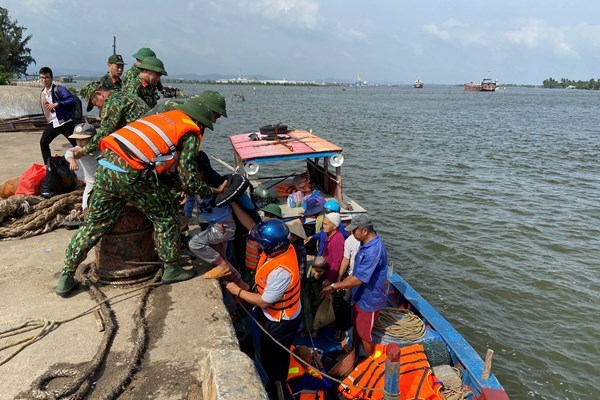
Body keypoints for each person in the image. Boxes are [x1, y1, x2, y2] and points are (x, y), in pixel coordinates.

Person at [56, 100, 227, 297]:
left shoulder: (164, 118)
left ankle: (66, 276)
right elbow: (189, 178)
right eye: (215, 117)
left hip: (106, 167)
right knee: (166, 216)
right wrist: (212, 191)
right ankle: (172, 268)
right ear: (204, 117)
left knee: (94, 225)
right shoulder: (190, 132)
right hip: (131, 174)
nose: (215, 121)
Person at [224, 219, 302, 400]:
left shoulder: (281, 270)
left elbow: (264, 301)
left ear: (270, 246)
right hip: (275, 313)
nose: (256, 245)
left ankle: (278, 389)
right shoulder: (283, 250)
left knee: (273, 360)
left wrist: (238, 291)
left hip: (281, 320)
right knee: (271, 353)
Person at [320, 213, 388, 357]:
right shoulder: (363, 244)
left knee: (365, 335)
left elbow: (359, 279)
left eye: (354, 230)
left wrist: (334, 286)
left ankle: (371, 364)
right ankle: (354, 353)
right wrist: (341, 283)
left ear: (364, 231)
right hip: (360, 296)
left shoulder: (373, 251)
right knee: (357, 326)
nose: (351, 233)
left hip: (370, 301)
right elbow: (355, 272)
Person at [38, 66, 77, 165]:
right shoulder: (43, 93)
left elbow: (72, 100)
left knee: (77, 145)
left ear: (51, 78)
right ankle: (48, 166)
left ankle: (86, 163)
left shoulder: (59, 89)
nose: (44, 80)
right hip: (53, 123)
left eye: (46, 77)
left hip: (65, 122)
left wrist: (58, 103)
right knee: (43, 142)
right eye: (42, 77)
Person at [64, 122, 99, 210]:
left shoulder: (100, 146)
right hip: (91, 182)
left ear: (93, 139)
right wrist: (72, 161)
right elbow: (69, 153)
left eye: (83, 139)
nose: (79, 142)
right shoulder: (79, 149)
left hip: (106, 181)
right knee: (86, 205)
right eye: (77, 139)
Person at [305, 212, 344, 284]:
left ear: (335, 226)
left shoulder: (338, 240)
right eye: (323, 224)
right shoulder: (327, 234)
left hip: (329, 274)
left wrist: (329, 279)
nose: (323, 226)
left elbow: (336, 262)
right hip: (323, 270)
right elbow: (320, 234)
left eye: (326, 224)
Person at [301, 256, 329, 337]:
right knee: (306, 307)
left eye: (320, 272)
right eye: (315, 271)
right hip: (307, 288)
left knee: (318, 307)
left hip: (319, 288)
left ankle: (315, 329)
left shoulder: (326, 275)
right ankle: (307, 329)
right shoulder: (306, 268)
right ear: (312, 267)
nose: (317, 274)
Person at [285, 218, 307, 285]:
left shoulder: (300, 248)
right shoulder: (285, 244)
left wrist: (298, 281)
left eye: (293, 235)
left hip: (296, 276)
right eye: (290, 234)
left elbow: (302, 266)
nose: (291, 236)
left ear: (297, 236)